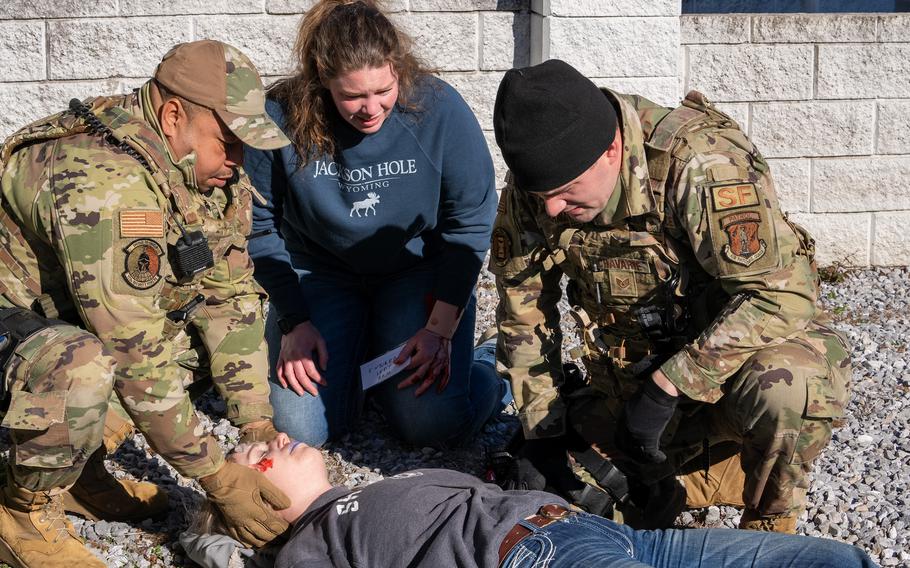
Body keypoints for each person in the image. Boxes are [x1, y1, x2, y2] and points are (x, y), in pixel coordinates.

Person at [488, 59, 851, 533]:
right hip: (627, 388)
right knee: (546, 496)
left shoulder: (700, 165)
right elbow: (522, 309)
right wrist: (544, 431)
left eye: (565, 192)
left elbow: (781, 296)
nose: (552, 208)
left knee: (789, 385)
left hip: (723, 379)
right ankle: (700, 472)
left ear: (612, 149)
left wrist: (668, 387)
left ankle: (768, 529)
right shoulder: (538, 185)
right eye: (542, 197)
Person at [0, 40, 294, 567]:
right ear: (173, 114)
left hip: (49, 320)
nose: (237, 160)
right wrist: (219, 478)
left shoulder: (201, 172)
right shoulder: (105, 185)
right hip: (10, 324)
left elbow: (231, 299)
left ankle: (78, 475)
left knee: (194, 346)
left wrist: (256, 424)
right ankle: (18, 511)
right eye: (227, 141)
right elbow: (134, 351)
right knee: (85, 365)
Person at [244, 0, 504, 449]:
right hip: (319, 274)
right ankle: (365, 364)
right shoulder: (279, 116)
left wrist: (440, 329)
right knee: (300, 431)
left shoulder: (438, 108)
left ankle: (485, 361)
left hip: (414, 271)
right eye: (352, 96)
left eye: (383, 90)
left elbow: (470, 225)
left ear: (398, 69)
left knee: (431, 426)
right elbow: (259, 226)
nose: (371, 108)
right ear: (322, 81)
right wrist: (293, 320)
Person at [180, 434, 876, 568]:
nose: (273, 438)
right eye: (256, 456)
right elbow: (220, 549)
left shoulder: (359, 495)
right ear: (263, 503)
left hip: (609, 538)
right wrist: (210, 535)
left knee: (835, 559)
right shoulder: (314, 544)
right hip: (529, 556)